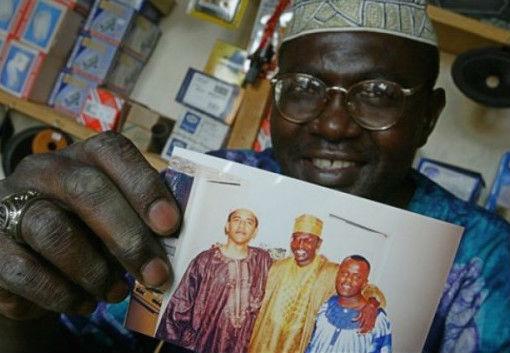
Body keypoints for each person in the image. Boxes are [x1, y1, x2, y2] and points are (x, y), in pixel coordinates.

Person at [0, 0, 509, 352]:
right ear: (273, 101)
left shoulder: (485, 259)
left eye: (379, 94)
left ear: (430, 116)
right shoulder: (217, 187)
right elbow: (83, 341)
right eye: (304, 87)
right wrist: (18, 302)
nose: (333, 124)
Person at [248, 214, 385, 353]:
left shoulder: (330, 272)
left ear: (318, 244)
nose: (300, 245)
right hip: (266, 342)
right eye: (296, 238)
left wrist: (372, 304)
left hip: (300, 344)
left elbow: (371, 289)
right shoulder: (278, 267)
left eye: (307, 240)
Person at [155, 208, 272, 353]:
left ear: (255, 232)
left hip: (241, 346)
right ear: (227, 226)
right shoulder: (204, 260)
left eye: (249, 222)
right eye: (237, 220)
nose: (242, 226)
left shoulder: (262, 260)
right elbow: (180, 304)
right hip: (201, 343)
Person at [305, 256, 392, 353]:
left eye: (356, 277)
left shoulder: (377, 319)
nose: (348, 280)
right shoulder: (325, 306)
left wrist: (373, 304)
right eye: (344, 273)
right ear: (337, 275)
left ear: (364, 283)